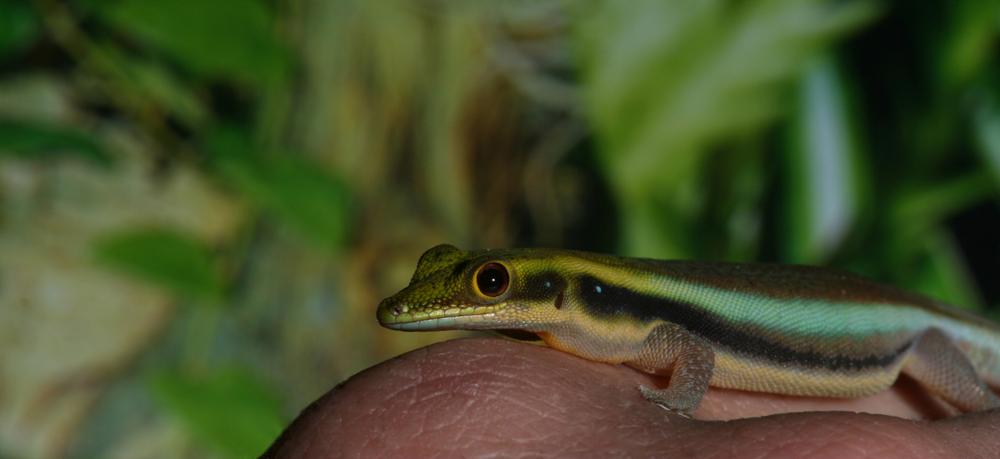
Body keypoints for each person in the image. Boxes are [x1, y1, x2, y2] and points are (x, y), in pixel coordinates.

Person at [261, 337, 1000, 459]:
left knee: (969, 407)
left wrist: (676, 404)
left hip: (920, 340)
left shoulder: (642, 329)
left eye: (489, 284)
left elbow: (698, 356)